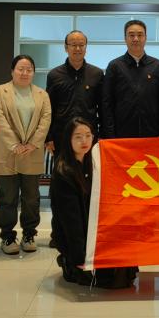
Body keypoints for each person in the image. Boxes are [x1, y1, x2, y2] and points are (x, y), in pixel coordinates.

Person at [50, 117, 138, 289]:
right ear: (68, 139)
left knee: (125, 267)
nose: (84, 141)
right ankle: (69, 263)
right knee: (113, 279)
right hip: (75, 238)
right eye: (78, 137)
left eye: (88, 135)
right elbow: (71, 221)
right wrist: (81, 257)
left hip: (93, 231)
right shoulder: (64, 172)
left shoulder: (92, 162)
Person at [45, 29, 103, 248]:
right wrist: (48, 137)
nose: (77, 48)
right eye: (73, 44)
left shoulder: (96, 74)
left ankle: (85, 231)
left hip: (88, 143)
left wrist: (101, 138)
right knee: (60, 188)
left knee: (88, 187)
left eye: (81, 45)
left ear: (86, 47)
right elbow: (48, 109)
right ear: (66, 47)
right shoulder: (55, 75)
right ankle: (58, 233)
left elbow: (102, 108)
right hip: (62, 142)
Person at [0, 54, 51, 255]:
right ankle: (7, 236)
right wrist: (14, 144)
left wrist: (33, 143)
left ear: (33, 72)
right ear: (12, 71)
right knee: (6, 198)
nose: (25, 73)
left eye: (29, 69)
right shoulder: (0, 92)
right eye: (20, 69)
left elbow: (45, 120)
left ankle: (29, 234)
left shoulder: (42, 94)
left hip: (32, 153)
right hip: (7, 153)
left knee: (31, 198)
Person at [102, 19, 159, 138]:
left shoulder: (157, 66)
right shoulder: (115, 66)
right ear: (125, 38)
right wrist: (109, 135)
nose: (136, 39)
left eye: (140, 35)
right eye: (131, 35)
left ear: (145, 38)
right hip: (122, 135)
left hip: (151, 133)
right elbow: (107, 104)